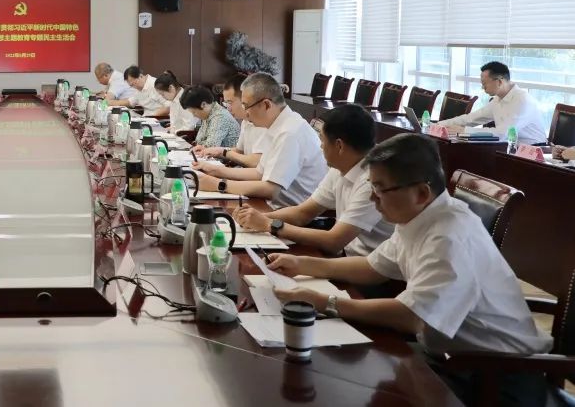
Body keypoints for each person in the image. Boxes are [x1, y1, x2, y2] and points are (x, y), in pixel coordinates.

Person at [267, 133, 552, 406]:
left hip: (494, 378)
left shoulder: (449, 236)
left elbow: (411, 317)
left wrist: (325, 302)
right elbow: (372, 267)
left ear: (421, 193)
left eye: (380, 189)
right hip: (450, 357)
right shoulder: (420, 217)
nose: (372, 199)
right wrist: (303, 264)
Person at [233, 104, 394, 256]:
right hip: (349, 256)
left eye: (322, 140)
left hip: (368, 267)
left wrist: (268, 224)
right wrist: (257, 217)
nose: (321, 146)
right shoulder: (341, 166)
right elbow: (303, 213)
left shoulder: (372, 181)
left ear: (339, 146)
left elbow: (334, 241)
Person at [192, 72, 327, 207]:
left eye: (246, 106)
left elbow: (270, 190)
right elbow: (259, 173)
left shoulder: (289, 132)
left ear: (266, 105)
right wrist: (214, 170)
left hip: (288, 212)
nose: (246, 112)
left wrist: (219, 184)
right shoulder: (277, 125)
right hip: (273, 206)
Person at [440, 61, 547, 144]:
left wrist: (464, 131)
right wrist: (439, 125)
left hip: (534, 151)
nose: (482, 88)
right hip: (508, 148)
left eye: (484, 83)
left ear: (499, 82)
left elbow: (503, 133)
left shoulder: (522, 100)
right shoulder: (497, 100)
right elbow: (472, 118)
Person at [193, 74, 270, 168]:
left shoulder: (264, 123)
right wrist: (215, 150)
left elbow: (255, 162)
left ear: (245, 98)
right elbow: (240, 151)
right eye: (226, 103)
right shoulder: (245, 121)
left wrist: (224, 153)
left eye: (230, 102)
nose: (228, 108)